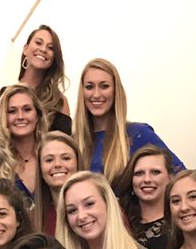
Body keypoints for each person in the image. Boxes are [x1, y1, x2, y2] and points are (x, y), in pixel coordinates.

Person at [73, 58, 183, 186]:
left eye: (104, 86)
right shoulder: (73, 143)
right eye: (89, 87)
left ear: (116, 91)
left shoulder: (138, 134)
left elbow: (181, 177)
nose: (96, 94)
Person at [0, 24, 72, 134]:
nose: (43, 49)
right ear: (25, 49)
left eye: (50, 48)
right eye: (38, 43)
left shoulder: (58, 102)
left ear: (54, 57)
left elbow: (63, 145)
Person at [117, 145, 177, 249]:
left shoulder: (180, 222)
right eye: (139, 173)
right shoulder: (117, 221)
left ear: (170, 178)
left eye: (155, 172)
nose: (147, 179)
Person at [0, 84, 45, 201]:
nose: (20, 116)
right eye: (12, 111)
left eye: (27, 109)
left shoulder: (51, 154)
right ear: (3, 117)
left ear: (37, 115)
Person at [32, 131, 80, 235]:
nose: (57, 164)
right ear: (40, 169)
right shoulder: (32, 219)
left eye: (66, 158)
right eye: (49, 160)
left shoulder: (102, 207)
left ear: (78, 163)